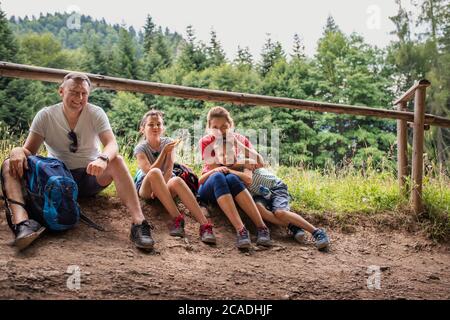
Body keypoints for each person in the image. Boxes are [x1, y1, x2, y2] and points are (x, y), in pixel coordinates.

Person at [1, 72, 154, 251]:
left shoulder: (96, 113)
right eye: (74, 92)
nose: (79, 98)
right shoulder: (45, 115)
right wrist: (16, 150)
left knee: (117, 161)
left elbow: (112, 143)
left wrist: (103, 159)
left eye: (84, 94)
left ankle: (139, 223)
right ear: (61, 91)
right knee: (8, 163)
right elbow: (29, 152)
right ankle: (23, 225)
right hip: (57, 180)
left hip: (90, 175)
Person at [213, 128, 331, 250]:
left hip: (275, 187)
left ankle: (317, 232)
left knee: (279, 212)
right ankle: (293, 226)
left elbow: (252, 174)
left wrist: (237, 144)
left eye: (229, 152)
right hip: (259, 195)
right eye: (223, 155)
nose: (227, 157)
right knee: (260, 210)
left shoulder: (244, 160)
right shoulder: (222, 169)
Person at [134, 110, 216, 244]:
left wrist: (161, 188)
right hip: (147, 187)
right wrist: (163, 154)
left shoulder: (169, 142)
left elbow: (169, 169)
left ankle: (205, 225)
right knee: (155, 173)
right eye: (151, 125)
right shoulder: (140, 148)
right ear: (142, 129)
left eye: (158, 124)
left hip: (164, 184)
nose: (155, 127)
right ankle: (177, 217)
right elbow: (149, 171)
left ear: (163, 127)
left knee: (177, 180)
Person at [198, 106, 272, 249]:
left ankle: (262, 228)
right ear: (208, 128)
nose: (220, 131)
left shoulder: (240, 139)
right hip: (210, 185)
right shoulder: (206, 141)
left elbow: (260, 163)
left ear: (231, 125)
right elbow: (217, 169)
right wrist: (244, 164)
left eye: (224, 126)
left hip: (233, 184)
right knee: (220, 175)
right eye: (215, 127)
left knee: (231, 178)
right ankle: (241, 230)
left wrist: (237, 143)